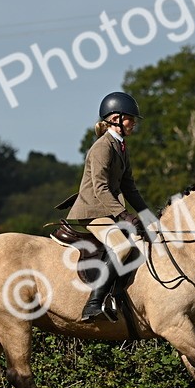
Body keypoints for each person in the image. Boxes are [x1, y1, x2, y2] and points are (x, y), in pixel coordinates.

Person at [62, 91, 151, 321]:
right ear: (115, 119)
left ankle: (117, 295)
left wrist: (148, 216)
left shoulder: (120, 146)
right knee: (122, 247)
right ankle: (93, 304)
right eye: (130, 118)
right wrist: (124, 215)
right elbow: (100, 188)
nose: (133, 123)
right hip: (93, 211)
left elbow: (129, 187)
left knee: (141, 239)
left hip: (106, 209)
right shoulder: (103, 147)